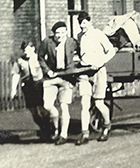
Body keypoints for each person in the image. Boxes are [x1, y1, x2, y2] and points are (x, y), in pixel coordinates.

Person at [76, 12, 116, 145]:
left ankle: (106, 126)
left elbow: (111, 50)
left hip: (98, 71)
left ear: (89, 21)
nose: (82, 26)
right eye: (80, 23)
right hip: (85, 72)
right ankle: (84, 134)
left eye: (84, 22)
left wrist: (100, 62)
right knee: (84, 103)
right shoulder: (80, 37)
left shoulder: (98, 34)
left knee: (99, 103)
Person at [38, 21, 78, 145]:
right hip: (52, 77)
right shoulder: (47, 42)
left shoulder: (72, 42)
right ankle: (55, 128)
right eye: (57, 33)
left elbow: (82, 52)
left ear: (66, 32)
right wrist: (47, 71)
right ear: (53, 34)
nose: (60, 35)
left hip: (66, 78)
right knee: (47, 105)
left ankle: (63, 134)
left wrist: (76, 66)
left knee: (64, 106)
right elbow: (40, 57)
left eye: (62, 32)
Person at [11, 41, 50, 140]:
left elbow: (47, 70)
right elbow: (16, 75)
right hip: (27, 87)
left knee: (42, 108)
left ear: (33, 49)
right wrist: (13, 90)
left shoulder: (39, 58)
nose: (26, 52)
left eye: (28, 49)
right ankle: (43, 129)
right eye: (24, 50)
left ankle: (48, 129)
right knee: (33, 111)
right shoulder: (20, 61)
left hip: (39, 85)